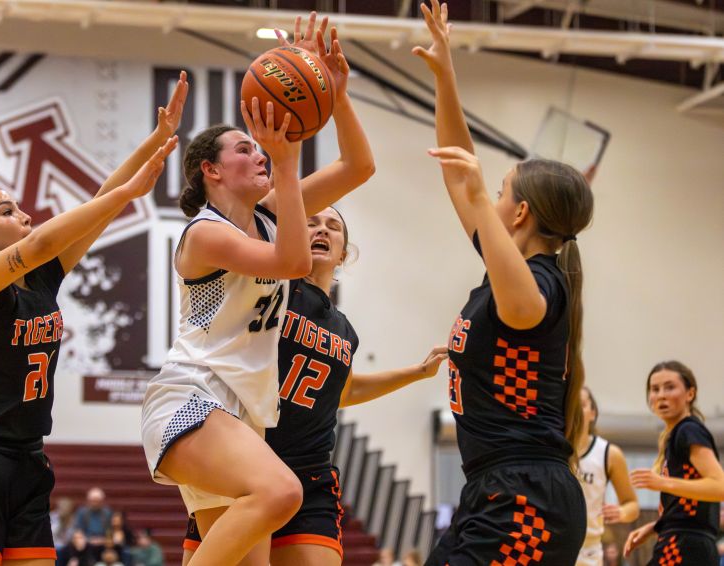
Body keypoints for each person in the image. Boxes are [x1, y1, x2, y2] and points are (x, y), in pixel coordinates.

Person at [0, 73, 187, 566]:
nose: (25, 216)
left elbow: (98, 207)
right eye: (7, 211)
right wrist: (125, 194)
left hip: (28, 459)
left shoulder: (39, 280)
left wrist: (155, 140)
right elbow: (43, 241)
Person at [140, 10, 374, 566]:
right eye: (244, 149)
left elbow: (359, 166)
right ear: (211, 172)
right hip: (193, 397)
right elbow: (292, 262)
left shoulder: (269, 216)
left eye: (260, 148)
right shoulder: (204, 234)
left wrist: (336, 95)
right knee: (281, 491)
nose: (261, 153)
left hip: (244, 413)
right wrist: (289, 165)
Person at [414, 2, 594, 564]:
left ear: (519, 214)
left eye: (498, 193)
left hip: (526, 500)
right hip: (496, 492)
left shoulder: (540, 286)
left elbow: (524, 307)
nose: (487, 201)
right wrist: (446, 75)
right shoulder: (508, 271)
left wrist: (474, 192)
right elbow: (455, 170)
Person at [181, 208, 447, 566]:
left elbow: (344, 392)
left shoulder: (344, 329)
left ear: (343, 254)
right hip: (245, 465)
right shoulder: (269, 290)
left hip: (310, 472)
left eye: (333, 227)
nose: (322, 230)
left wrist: (417, 372)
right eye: (311, 223)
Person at [624, 361, 724, 565]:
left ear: (690, 394)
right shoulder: (678, 434)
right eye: (655, 389)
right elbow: (689, 503)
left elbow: (720, 487)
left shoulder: (688, 430)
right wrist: (656, 526)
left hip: (684, 546)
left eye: (670, 387)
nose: (661, 395)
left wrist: (662, 482)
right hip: (685, 543)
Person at [576, 387, 639, 565]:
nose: (575, 410)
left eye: (581, 404)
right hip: (552, 546)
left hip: (589, 550)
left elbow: (632, 505)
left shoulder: (609, 453)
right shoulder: (551, 449)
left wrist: (621, 512)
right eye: (570, 405)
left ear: (593, 413)